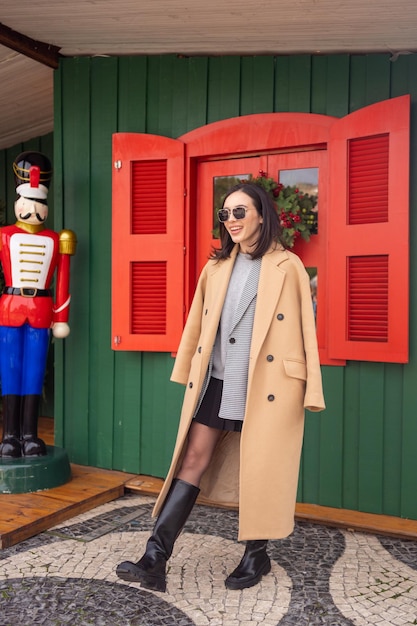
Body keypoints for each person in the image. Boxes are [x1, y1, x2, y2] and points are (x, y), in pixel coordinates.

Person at [116, 181, 325, 592]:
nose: (230, 220)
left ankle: (256, 555)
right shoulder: (216, 268)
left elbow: (306, 332)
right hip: (218, 378)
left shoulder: (289, 266)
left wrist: (310, 389)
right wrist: (186, 369)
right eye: (225, 214)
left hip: (268, 385)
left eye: (239, 212)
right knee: (192, 458)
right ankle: (154, 558)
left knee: (259, 466)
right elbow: (198, 323)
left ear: (262, 216)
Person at [0, 151, 76, 458]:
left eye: (39, 203)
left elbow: (64, 279)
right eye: (29, 203)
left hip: (42, 311)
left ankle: (29, 434)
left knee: (33, 371)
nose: (34, 209)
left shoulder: (57, 240)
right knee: (9, 370)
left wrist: (62, 316)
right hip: (9, 308)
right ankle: (9, 436)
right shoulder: (4, 235)